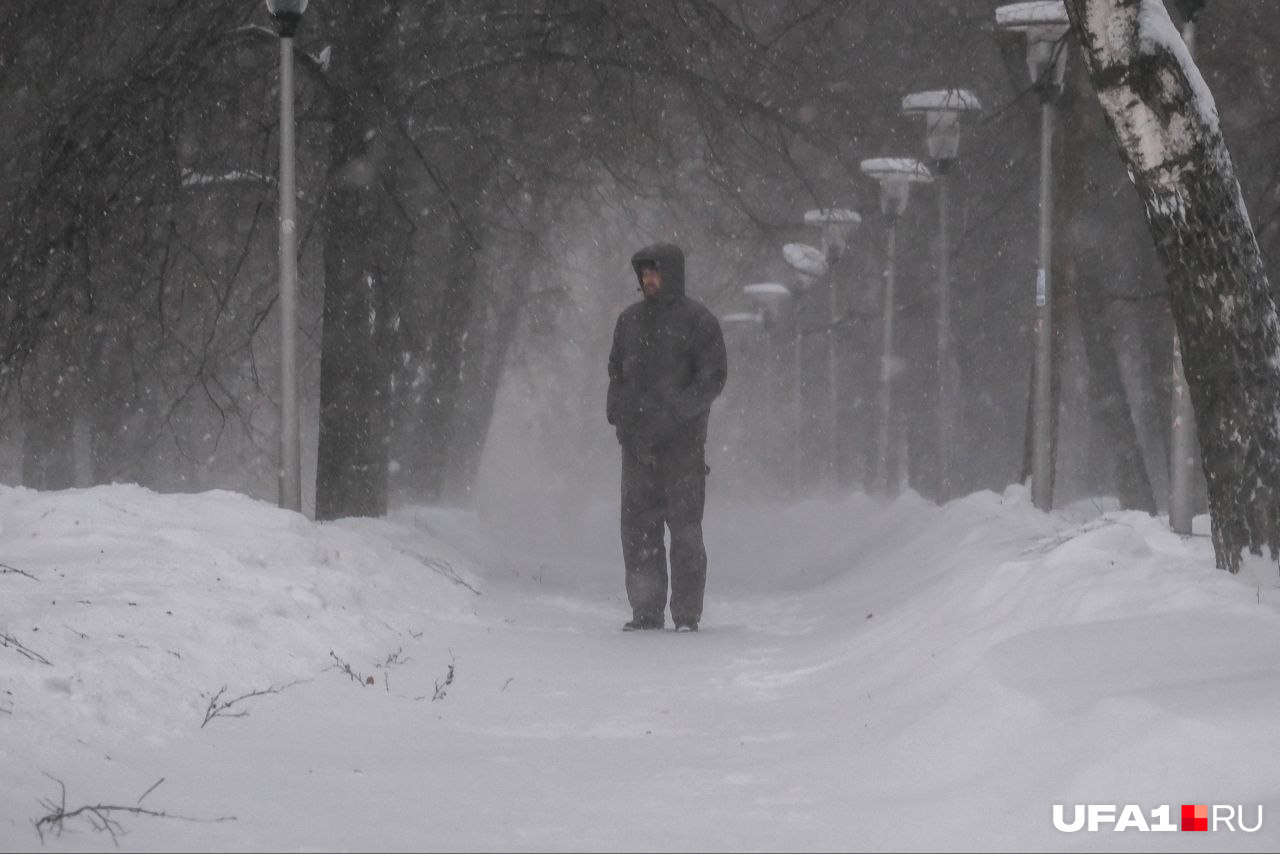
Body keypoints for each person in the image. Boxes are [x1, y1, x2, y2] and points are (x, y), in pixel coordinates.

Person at [606, 242, 727, 632]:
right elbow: (617, 372)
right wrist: (619, 414)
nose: (648, 280)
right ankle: (646, 609)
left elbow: (712, 378)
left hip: (683, 449)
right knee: (638, 530)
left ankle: (687, 613)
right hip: (637, 448)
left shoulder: (699, 323)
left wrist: (676, 415)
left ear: (671, 274)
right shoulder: (629, 322)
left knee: (685, 530)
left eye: (655, 272)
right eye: (643, 273)